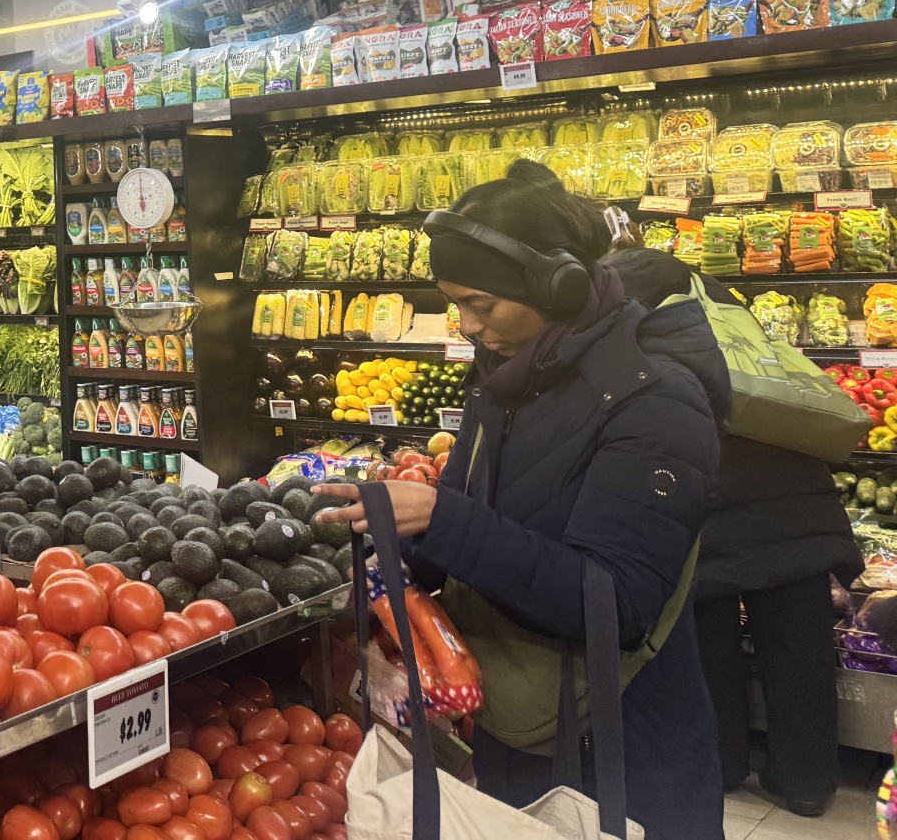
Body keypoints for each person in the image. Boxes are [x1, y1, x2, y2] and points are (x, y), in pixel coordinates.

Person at [315, 161, 725, 839]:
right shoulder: (510, 381)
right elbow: (494, 533)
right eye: (456, 303)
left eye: (482, 302)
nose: (469, 324)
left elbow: (615, 602)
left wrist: (446, 519)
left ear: (556, 284)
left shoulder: (655, 401)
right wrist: (406, 550)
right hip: (524, 737)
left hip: (623, 753)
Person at [604, 246, 861, 817]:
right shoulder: (729, 314)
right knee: (800, 647)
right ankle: (807, 780)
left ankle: (720, 761)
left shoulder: (636, 329)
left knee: (706, 639)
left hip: (711, 508)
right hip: (798, 509)